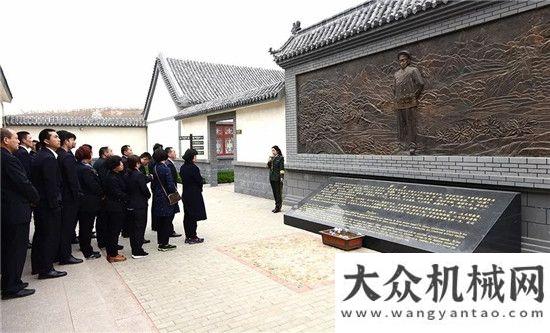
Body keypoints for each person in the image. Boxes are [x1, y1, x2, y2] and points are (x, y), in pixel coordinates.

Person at [1, 128, 39, 299]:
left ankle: (10, 281)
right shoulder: (9, 159)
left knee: (9, 248)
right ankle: (12, 287)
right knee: (16, 249)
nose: (18, 141)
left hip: (7, 209)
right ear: (5, 140)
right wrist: (35, 197)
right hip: (15, 210)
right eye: (15, 138)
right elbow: (22, 183)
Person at [30, 128, 67, 279]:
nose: (59, 139)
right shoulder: (48, 158)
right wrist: (55, 205)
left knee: (41, 235)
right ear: (46, 141)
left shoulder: (42, 155)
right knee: (48, 236)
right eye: (55, 137)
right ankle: (46, 269)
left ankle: (39, 266)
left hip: (42, 204)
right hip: (48, 205)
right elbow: (51, 185)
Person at [56, 130, 83, 265]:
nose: (74, 142)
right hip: (69, 198)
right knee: (67, 228)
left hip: (64, 196)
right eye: (72, 140)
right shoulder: (65, 157)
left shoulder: (61, 155)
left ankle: (61, 253)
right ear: (66, 141)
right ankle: (65, 255)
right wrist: (76, 195)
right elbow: (72, 179)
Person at [393, 50, 424, 153]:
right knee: (401, 126)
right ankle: (402, 144)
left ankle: (412, 145)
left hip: (410, 102)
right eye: (400, 61)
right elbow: (394, 89)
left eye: (404, 60)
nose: (402, 62)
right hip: (399, 103)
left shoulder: (413, 70)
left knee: (410, 124)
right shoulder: (396, 74)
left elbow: (420, 83)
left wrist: (414, 96)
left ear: (408, 60)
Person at [75, 145, 102, 259]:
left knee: (84, 226)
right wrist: (101, 192)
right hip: (89, 202)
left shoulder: (78, 166)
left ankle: (85, 246)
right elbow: (93, 186)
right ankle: (87, 250)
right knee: (87, 227)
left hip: (83, 201)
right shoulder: (86, 169)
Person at [151, 149, 178, 251]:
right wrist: (174, 194)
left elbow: (153, 185)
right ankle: (165, 244)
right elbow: (170, 185)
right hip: (166, 198)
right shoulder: (166, 169)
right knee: (167, 221)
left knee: (161, 221)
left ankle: (160, 242)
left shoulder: (155, 168)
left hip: (158, 197)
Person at [103, 155, 128, 262]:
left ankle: (113, 252)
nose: (122, 164)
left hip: (116, 206)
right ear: (115, 166)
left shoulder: (116, 174)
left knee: (114, 231)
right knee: (113, 231)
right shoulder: (112, 178)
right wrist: (128, 197)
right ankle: (112, 254)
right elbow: (118, 193)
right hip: (114, 208)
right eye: (120, 163)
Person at [125, 155, 151, 258]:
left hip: (130, 204)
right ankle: (137, 250)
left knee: (132, 229)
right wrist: (148, 195)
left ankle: (134, 248)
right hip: (139, 204)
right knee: (140, 228)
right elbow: (144, 189)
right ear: (136, 164)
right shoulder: (138, 175)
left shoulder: (126, 174)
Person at [179, 149, 206, 244]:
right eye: (195, 156)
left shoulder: (183, 167)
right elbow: (199, 181)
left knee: (187, 215)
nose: (196, 158)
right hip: (194, 194)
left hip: (186, 193)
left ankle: (188, 236)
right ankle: (192, 236)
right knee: (193, 216)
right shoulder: (193, 168)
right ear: (191, 157)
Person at [93, 146, 112, 248]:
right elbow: (104, 180)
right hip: (103, 195)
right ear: (105, 153)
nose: (112, 153)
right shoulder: (103, 163)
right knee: (103, 219)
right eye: (110, 151)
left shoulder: (98, 162)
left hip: (101, 195)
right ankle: (103, 241)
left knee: (102, 219)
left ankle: (103, 240)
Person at [164, 147, 182, 238]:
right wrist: (174, 191)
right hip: (171, 192)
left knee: (173, 211)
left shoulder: (169, 163)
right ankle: (169, 230)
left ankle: (169, 230)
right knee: (172, 211)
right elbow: (170, 180)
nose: (175, 153)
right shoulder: (168, 164)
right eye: (174, 152)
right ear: (169, 154)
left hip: (172, 190)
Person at [267, 145, 285, 213]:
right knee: (274, 192)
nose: (272, 151)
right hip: (272, 177)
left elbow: (282, 168)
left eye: (273, 150)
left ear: (277, 151)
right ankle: (276, 205)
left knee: (278, 193)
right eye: (272, 150)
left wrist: (281, 177)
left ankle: (278, 207)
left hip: (277, 178)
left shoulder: (280, 158)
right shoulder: (272, 158)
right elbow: (268, 167)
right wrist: (269, 161)